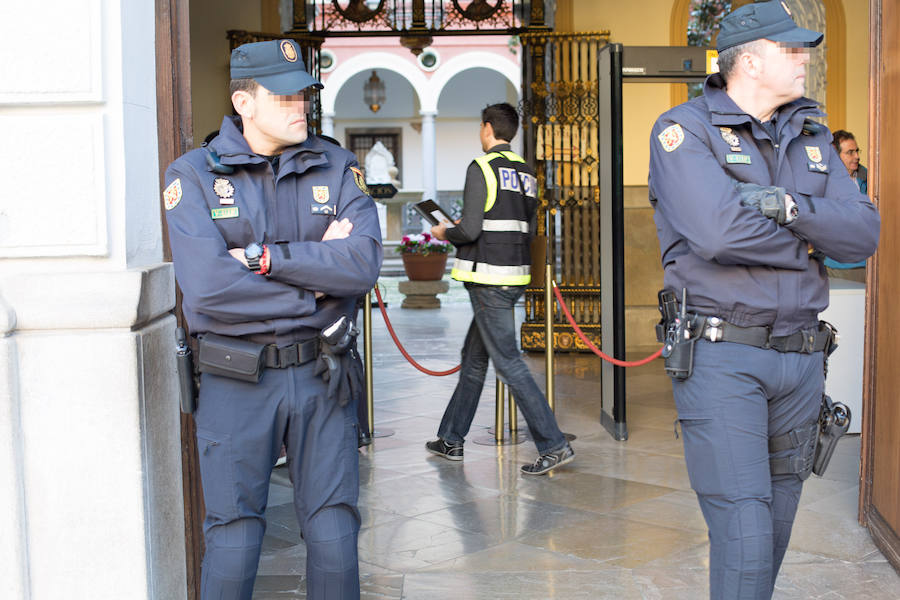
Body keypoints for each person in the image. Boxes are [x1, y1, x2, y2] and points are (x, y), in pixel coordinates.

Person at [648, 2, 879, 598]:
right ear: (749, 61)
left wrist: (794, 209)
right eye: (793, 49)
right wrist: (809, 244)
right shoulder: (685, 130)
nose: (806, 59)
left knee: (770, 538)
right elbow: (718, 233)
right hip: (723, 357)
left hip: (801, 359)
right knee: (746, 533)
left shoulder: (814, 136)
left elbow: (864, 234)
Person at [163, 39, 382, 599]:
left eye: (304, 94)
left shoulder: (337, 166)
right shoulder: (191, 177)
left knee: (334, 525)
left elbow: (360, 266)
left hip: (322, 374)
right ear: (244, 102)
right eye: (283, 96)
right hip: (234, 380)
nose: (299, 106)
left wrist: (269, 261)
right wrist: (315, 286)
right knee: (235, 534)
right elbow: (209, 292)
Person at [425, 102, 574, 476]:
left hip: (488, 278)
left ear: (487, 128)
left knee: (509, 364)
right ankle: (451, 438)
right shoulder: (527, 173)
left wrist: (446, 231)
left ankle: (553, 444)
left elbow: (472, 230)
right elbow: (513, 222)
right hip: (514, 276)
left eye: (481, 127)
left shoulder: (482, 168)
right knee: (474, 358)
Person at [824, 130, 869, 281]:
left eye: (857, 151)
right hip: (838, 265)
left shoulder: (870, 179)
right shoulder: (824, 183)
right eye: (850, 152)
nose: (857, 156)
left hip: (868, 263)